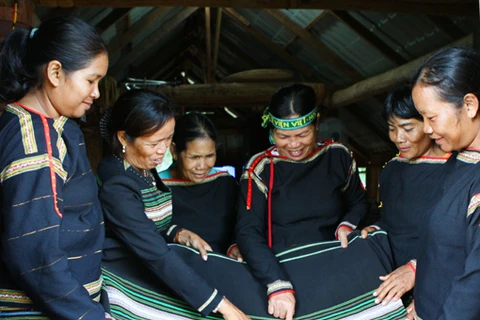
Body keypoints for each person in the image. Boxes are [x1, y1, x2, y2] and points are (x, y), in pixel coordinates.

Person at [97, 89, 249, 319]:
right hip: (122, 275)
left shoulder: (143, 167)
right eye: (154, 142)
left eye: (168, 139)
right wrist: (220, 303)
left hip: (147, 265)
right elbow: (152, 251)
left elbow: (151, 223)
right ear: (123, 138)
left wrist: (178, 233)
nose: (163, 150)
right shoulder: (117, 181)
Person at [236, 84, 381, 319]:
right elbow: (247, 231)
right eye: (283, 137)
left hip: (334, 267)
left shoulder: (338, 156)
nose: (294, 145)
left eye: (303, 134)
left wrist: (348, 223)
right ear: (272, 132)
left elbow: (359, 202)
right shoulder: (260, 168)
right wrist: (276, 283)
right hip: (282, 271)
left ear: (317, 124)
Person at [0, 17, 110, 318]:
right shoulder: (35, 143)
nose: (97, 93)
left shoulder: (44, 126)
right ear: (55, 72)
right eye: (91, 80)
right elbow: (35, 254)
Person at [360, 84, 449, 309]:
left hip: (433, 279)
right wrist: (376, 228)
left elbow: (458, 242)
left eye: (408, 128)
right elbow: (392, 220)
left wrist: (423, 283)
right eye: (392, 128)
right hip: (390, 277)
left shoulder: (456, 171)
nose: (399, 138)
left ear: (429, 123)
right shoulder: (392, 169)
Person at [409, 46, 480, 319]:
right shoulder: (457, 161)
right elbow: (440, 251)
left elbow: (474, 286)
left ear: (470, 105)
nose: (426, 128)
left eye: (432, 117)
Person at [158, 112, 241, 257]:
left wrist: (234, 247)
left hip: (222, 265)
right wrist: (179, 234)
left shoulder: (225, 183)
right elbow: (147, 231)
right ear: (174, 151)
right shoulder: (157, 187)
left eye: (209, 156)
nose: (202, 166)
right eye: (194, 157)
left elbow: (240, 226)